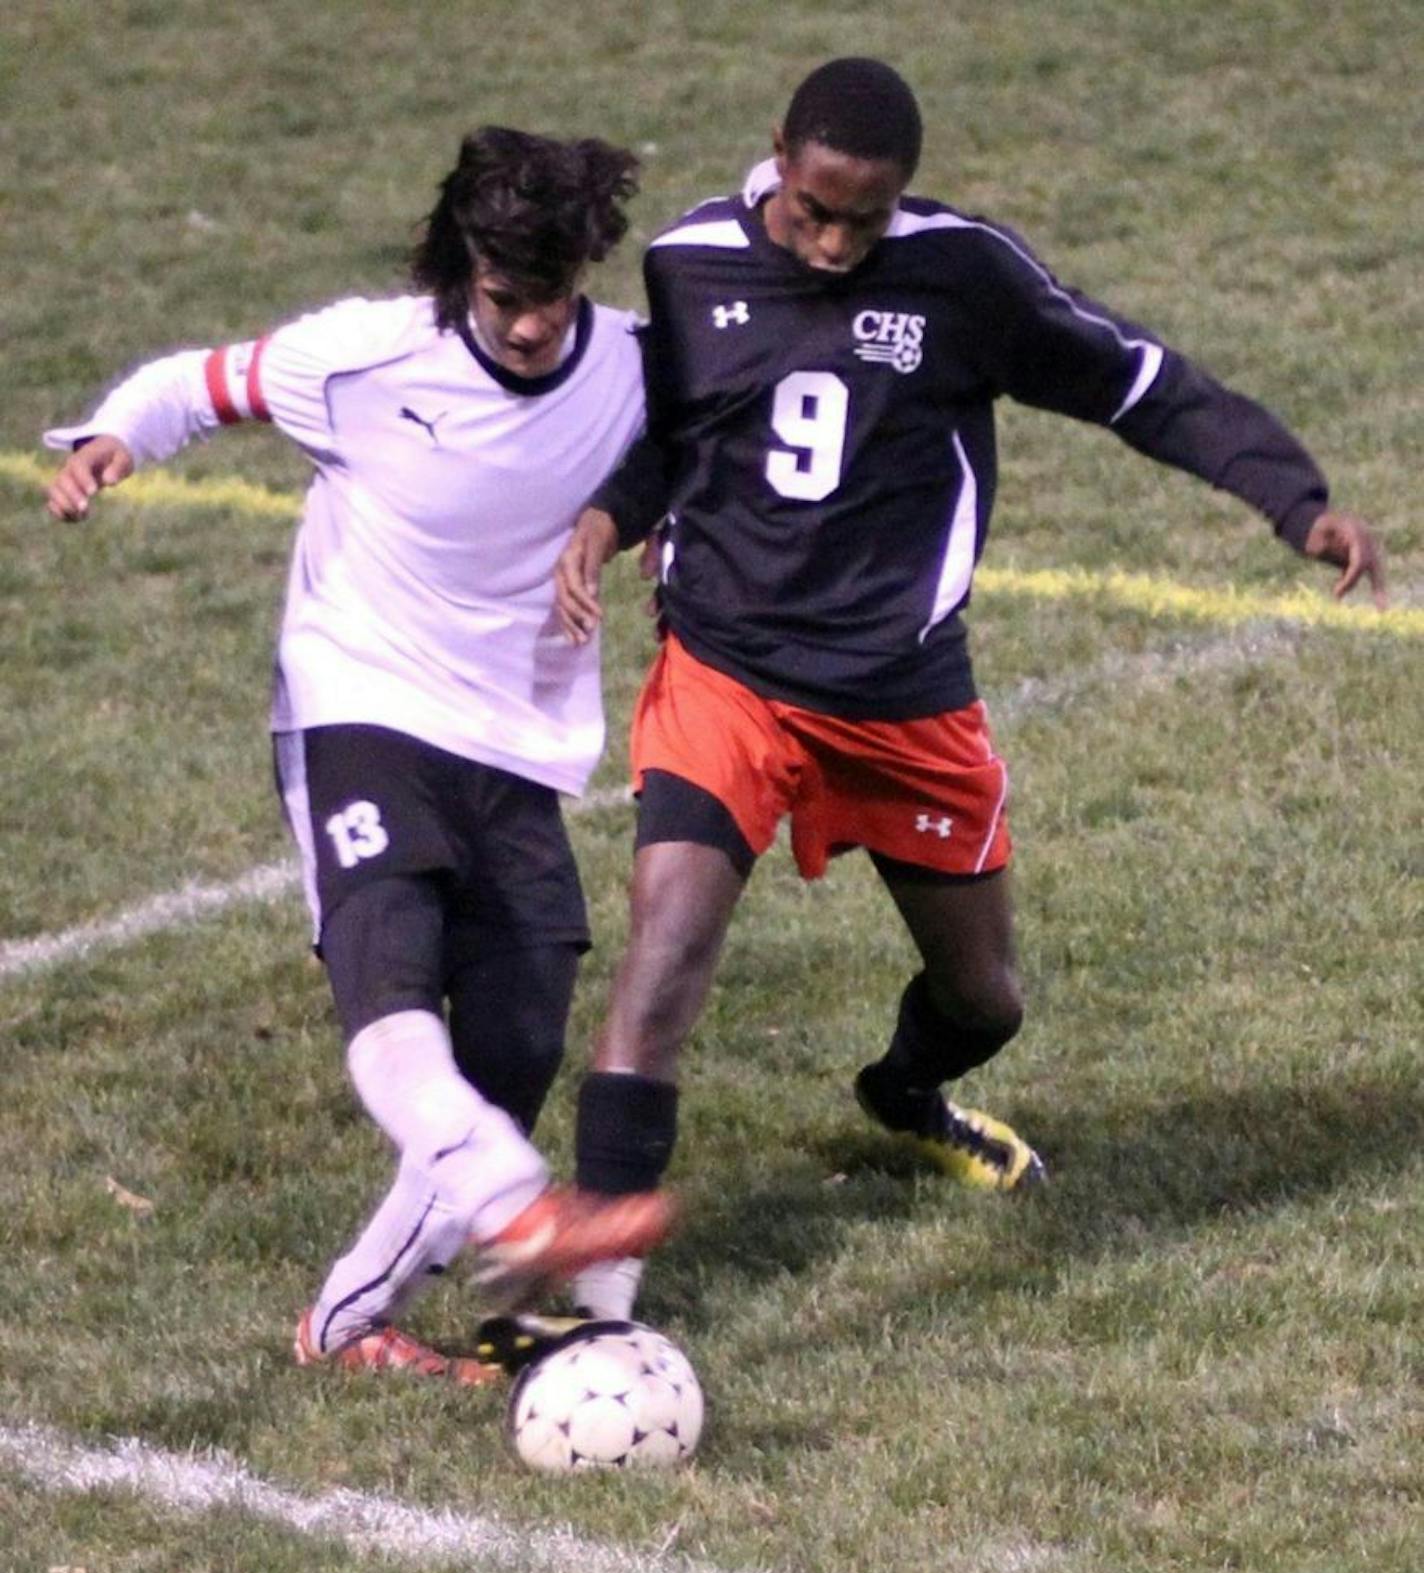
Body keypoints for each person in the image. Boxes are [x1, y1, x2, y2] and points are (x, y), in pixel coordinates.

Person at [552, 57, 1385, 1323]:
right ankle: (593, 1310)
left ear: (903, 197)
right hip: (727, 673)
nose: (833, 242)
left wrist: (1292, 497)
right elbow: (674, 435)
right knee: (662, 956)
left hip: (899, 696)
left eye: (864, 218)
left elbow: (1138, 383)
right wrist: (604, 524)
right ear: (776, 154)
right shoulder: (687, 263)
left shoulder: (964, 276)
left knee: (983, 999)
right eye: (814, 207)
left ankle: (900, 1096)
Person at [44, 126, 673, 1384]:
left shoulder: (628, 370)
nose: (534, 327)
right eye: (507, 300)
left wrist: (641, 530)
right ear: (460, 270)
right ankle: (514, 1202)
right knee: (389, 981)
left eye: (554, 301)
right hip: (358, 703)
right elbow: (198, 382)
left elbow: (680, 460)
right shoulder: (363, 356)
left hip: (518, 737)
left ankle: (348, 1318)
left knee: (512, 1040)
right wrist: (117, 435)